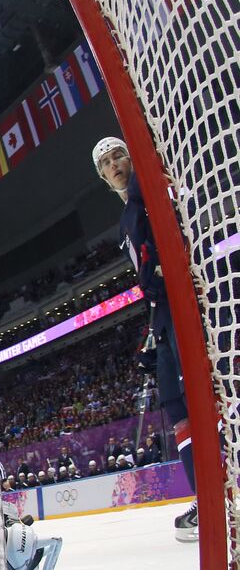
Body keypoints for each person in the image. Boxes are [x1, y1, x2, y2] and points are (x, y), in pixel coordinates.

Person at [94, 136, 196, 540]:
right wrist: (151, 339)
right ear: (102, 177)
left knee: (198, 401)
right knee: (175, 407)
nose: (114, 163)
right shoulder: (124, 220)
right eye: (105, 162)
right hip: (164, 321)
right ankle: (207, 496)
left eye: (119, 154)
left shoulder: (146, 190)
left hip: (183, 310)